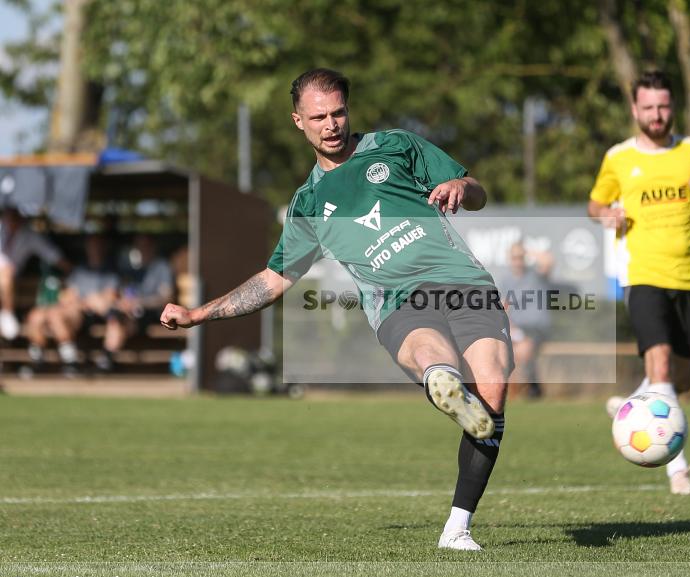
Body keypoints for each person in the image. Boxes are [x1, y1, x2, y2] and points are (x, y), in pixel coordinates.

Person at [160, 68, 512, 551]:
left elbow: (476, 190)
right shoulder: (308, 204)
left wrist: (461, 190)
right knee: (435, 361)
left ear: (349, 110)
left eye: (339, 112)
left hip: (463, 281)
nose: (332, 124)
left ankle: (456, 526)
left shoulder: (396, 146)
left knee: (492, 390)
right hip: (396, 300)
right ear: (298, 122)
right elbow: (274, 279)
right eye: (319, 116)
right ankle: (441, 383)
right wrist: (199, 314)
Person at [587, 70, 690, 495]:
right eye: (649, 107)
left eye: (663, 106)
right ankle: (678, 470)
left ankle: (631, 401)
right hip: (643, 276)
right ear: (635, 109)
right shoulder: (618, 157)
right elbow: (595, 204)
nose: (656, 115)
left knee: (682, 380)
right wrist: (607, 216)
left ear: (672, 108)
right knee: (658, 365)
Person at [25, 234, 118, 375]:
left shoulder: (110, 272)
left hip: (91, 315)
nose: (95, 249)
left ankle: (70, 361)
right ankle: (37, 358)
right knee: (36, 316)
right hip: (72, 308)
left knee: (56, 315)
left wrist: (85, 301)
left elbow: (108, 298)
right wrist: (74, 299)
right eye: (92, 246)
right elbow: (67, 295)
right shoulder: (80, 271)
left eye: (98, 245)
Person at [97, 234, 174, 372]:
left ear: (153, 246)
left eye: (145, 245)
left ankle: (106, 357)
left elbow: (167, 298)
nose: (142, 249)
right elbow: (119, 292)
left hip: (152, 313)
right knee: (115, 316)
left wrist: (140, 302)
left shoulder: (161, 266)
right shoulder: (131, 268)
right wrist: (122, 302)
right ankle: (106, 359)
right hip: (127, 314)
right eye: (139, 245)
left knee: (120, 320)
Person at [495, 241, 554, 398]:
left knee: (524, 348)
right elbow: (504, 306)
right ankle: (507, 390)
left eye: (520, 257)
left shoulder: (535, 274)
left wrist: (529, 251)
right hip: (517, 328)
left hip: (537, 327)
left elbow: (548, 260)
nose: (518, 260)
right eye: (514, 257)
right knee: (500, 348)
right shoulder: (507, 280)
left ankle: (533, 390)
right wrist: (508, 327)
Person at [0, 207, 69, 339]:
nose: (11, 221)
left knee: (6, 274)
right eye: (8, 216)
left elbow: (53, 255)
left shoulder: (30, 235)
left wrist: (75, 272)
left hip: (11, 276)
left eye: (15, 217)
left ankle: (7, 313)